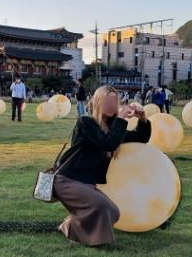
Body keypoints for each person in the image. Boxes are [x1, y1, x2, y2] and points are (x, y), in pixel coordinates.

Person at [52, 86, 151, 247]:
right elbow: (108, 143)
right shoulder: (86, 122)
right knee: (102, 206)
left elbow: (141, 138)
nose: (112, 105)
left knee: (113, 212)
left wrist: (142, 118)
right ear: (98, 102)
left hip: (86, 183)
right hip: (67, 181)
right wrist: (121, 119)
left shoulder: (112, 128)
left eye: (114, 101)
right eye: (108, 101)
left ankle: (69, 227)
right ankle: (98, 243)